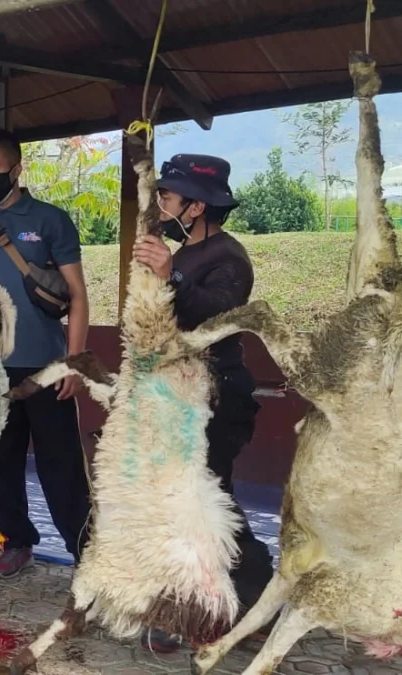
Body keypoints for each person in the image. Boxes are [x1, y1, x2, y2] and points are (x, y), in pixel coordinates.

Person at [132, 153, 274, 653]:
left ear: (195, 207)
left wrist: (170, 277)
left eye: (169, 197)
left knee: (208, 503)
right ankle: (212, 601)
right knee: (186, 503)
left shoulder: (228, 258)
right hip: (179, 392)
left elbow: (213, 321)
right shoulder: (186, 251)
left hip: (218, 395)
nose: (161, 204)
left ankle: (248, 598)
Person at [0, 128, 93, 578]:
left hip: (46, 367)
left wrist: (74, 363)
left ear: (17, 169)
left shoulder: (51, 220)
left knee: (63, 468)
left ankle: (87, 553)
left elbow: (77, 296)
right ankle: (16, 542)